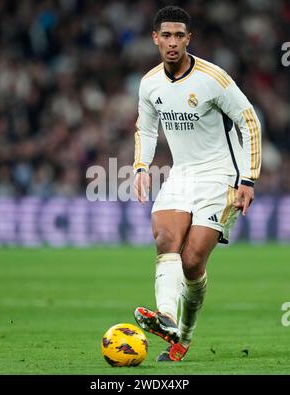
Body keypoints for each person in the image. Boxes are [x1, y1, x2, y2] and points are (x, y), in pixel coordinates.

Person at [132, 6, 261, 362]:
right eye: (166, 36)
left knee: (191, 262)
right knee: (164, 237)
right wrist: (141, 167)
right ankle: (167, 318)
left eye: (179, 36)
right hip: (182, 173)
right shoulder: (150, 84)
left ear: (189, 38)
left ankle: (183, 337)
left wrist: (247, 179)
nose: (172, 43)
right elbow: (145, 128)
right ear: (155, 38)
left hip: (221, 176)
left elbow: (249, 122)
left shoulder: (212, 79)